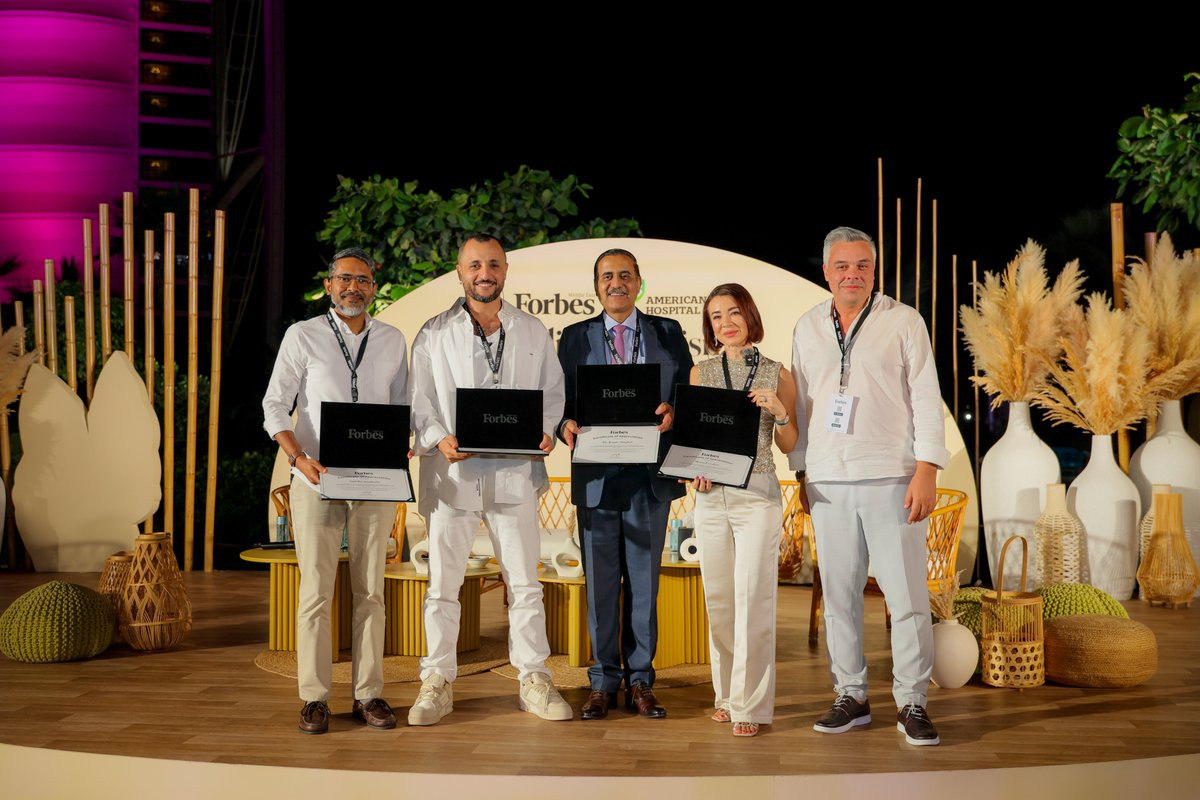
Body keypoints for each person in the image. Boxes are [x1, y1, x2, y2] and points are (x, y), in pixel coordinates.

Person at [789, 226, 949, 746]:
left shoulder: (904, 321)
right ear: (826, 272)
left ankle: (912, 701)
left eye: (862, 265)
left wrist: (927, 468)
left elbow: (926, 397)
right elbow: (802, 405)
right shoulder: (807, 325)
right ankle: (851, 696)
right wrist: (801, 470)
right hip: (828, 479)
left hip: (893, 477)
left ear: (874, 271)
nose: (852, 274)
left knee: (906, 598)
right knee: (839, 597)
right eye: (842, 266)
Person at [406, 232, 571, 725]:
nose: (485, 273)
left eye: (493, 264)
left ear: (505, 271)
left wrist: (546, 430)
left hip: (514, 474)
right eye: (475, 265)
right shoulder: (434, 333)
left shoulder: (532, 330)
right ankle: (437, 681)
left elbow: (553, 392)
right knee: (443, 586)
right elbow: (419, 399)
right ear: (460, 272)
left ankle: (534, 678)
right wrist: (438, 437)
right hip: (453, 474)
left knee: (525, 584)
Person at [262, 246, 408, 734]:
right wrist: (297, 458)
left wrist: (403, 444)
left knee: (371, 592)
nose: (353, 288)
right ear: (328, 285)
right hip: (316, 478)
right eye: (344, 279)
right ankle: (314, 698)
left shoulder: (391, 339)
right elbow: (275, 406)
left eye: (362, 280)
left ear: (374, 287)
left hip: (374, 481)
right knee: (315, 593)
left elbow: (402, 406)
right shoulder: (302, 335)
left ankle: (368, 694)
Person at [556, 248, 693, 720]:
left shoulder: (667, 332)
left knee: (643, 584)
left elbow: (686, 390)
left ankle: (640, 681)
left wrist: (675, 411)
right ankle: (601, 682)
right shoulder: (574, 336)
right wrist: (563, 424)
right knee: (599, 586)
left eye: (625, 275)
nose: (616, 283)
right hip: (597, 475)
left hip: (648, 477)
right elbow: (560, 400)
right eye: (607, 276)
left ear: (638, 282)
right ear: (596, 286)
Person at [688, 283, 798, 738]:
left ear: (749, 315)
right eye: (716, 316)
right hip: (711, 496)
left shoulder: (777, 373)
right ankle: (726, 696)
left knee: (753, 599)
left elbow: (789, 444)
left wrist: (781, 412)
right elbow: (694, 439)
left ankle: (750, 704)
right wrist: (694, 471)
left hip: (758, 496)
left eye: (733, 312)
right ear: (710, 327)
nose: (726, 322)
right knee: (719, 600)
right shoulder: (700, 372)